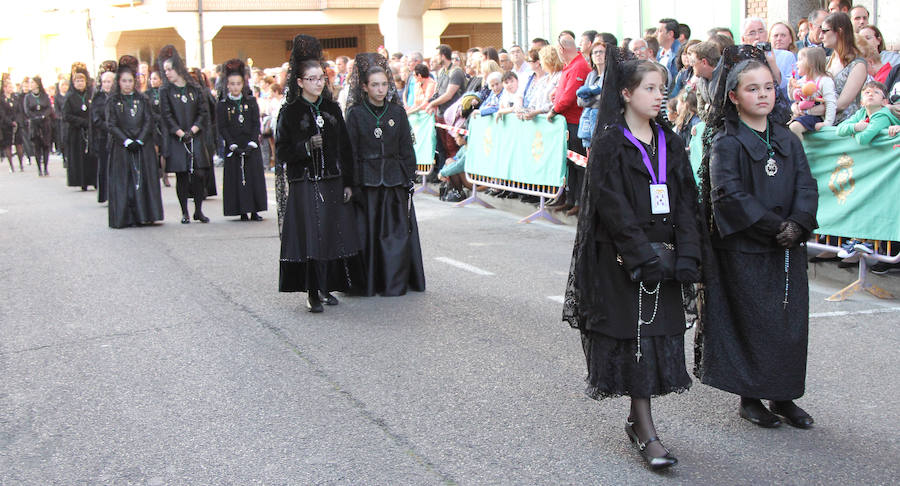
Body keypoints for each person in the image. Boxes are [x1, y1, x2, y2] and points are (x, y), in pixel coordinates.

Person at [562, 48, 702, 470]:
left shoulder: (669, 141)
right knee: (636, 340)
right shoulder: (610, 143)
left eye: (662, 88)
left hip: (666, 255)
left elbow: (686, 199)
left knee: (656, 338)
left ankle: (638, 422)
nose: (660, 96)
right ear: (625, 93)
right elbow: (612, 208)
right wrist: (641, 255)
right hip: (623, 260)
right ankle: (645, 430)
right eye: (650, 88)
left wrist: (688, 254)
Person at [696, 46, 818, 431]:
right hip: (746, 248)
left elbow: (806, 185)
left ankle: (784, 395)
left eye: (768, 87)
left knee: (788, 323)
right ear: (734, 96)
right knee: (752, 323)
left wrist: (799, 223)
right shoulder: (726, 141)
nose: (763, 94)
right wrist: (774, 227)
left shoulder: (788, 138)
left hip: (788, 247)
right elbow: (728, 195)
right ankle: (750, 398)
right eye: (752, 89)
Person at [276, 34, 363, 312]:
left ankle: (327, 286)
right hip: (306, 182)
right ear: (300, 82)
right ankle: (312, 291)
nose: (317, 83)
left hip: (332, 181)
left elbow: (345, 148)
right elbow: (282, 151)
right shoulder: (290, 112)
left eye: (321, 78)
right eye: (311, 79)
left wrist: (348, 182)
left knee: (331, 233)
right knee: (311, 236)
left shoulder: (332, 108)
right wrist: (305, 146)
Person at [344, 53, 426, 297]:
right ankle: (368, 282)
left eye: (384, 84)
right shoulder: (356, 114)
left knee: (394, 235)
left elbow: (406, 147)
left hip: (393, 181)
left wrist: (409, 176)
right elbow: (350, 150)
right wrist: (350, 183)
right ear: (365, 87)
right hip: (366, 182)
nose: (380, 89)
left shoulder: (397, 113)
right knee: (366, 234)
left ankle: (394, 282)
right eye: (375, 85)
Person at [105, 55, 164, 228]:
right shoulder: (113, 101)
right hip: (122, 146)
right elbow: (111, 124)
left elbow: (148, 120)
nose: (127, 84)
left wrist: (140, 139)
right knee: (125, 182)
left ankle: (144, 214)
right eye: (124, 81)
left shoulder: (142, 99)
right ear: (119, 82)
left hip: (142, 145)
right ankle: (126, 216)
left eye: (130, 81)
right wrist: (126, 141)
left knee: (142, 180)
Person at [158, 45, 212, 224]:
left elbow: (203, 112)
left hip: (195, 136)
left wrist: (193, 130)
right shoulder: (165, 90)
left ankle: (198, 210)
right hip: (177, 137)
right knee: (181, 175)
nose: (167, 73)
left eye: (169, 69)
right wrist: (180, 133)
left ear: (178, 68)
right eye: (165, 70)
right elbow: (166, 115)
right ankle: (185, 212)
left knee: (199, 174)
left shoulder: (195, 88)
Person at [217, 58, 267, 221]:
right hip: (234, 145)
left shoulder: (251, 101)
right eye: (232, 84)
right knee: (237, 178)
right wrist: (231, 144)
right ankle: (242, 210)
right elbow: (222, 127)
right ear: (227, 85)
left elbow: (255, 123)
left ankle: (255, 210)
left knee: (253, 177)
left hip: (250, 144)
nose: (235, 87)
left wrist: (253, 142)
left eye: (238, 84)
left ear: (243, 84)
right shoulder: (223, 104)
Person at [548, 32, 591, 217]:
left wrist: (554, 110)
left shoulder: (578, 66)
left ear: (561, 49)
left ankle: (579, 201)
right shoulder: (572, 65)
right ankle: (570, 199)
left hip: (575, 122)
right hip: (568, 121)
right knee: (570, 164)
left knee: (578, 164)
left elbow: (570, 95)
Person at [822, 12, 867, 123]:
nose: (820, 36)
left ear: (839, 32)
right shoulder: (825, 61)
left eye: (824, 31)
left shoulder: (858, 65)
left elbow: (842, 104)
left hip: (846, 125)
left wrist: (813, 111)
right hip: (821, 122)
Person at [788, 47, 837, 139]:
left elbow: (830, 103)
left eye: (800, 60)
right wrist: (790, 87)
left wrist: (827, 122)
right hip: (803, 115)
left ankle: (799, 148)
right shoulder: (801, 81)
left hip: (816, 116)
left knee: (794, 127)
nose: (796, 63)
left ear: (811, 63)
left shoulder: (825, 81)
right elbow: (793, 98)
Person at [63, 63, 97, 190]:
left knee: (92, 157)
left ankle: (94, 180)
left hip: (90, 130)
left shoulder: (91, 94)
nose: (80, 83)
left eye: (82, 80)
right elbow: (66, 115)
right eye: (77, 81)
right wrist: (81, 122)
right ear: (73, 83)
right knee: (80, 157)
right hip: (76, 132)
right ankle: (82, 181)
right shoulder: (70, 97)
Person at [835, 81, 900, 144]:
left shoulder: (883, 117)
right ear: (862, 102)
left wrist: (854, 132)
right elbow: (839, 129)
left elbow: (862, 139)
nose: (870, 94)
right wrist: (855, 127)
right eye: (867, 92)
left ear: (884, 102)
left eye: (876, 92)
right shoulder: (861, 113)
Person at [576, 39, 606, 149]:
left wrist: (589, 97)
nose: (598, 54)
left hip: (605, 123)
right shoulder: (591, 75)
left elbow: (607, 99)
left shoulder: (612, 75)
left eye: (601, 52)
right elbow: (580, 101)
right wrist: (596, 97)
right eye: (595, 52)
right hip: (588, 124)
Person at [94, 62, 117, 202]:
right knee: (105, 166)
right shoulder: (98, 97)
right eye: (104, 82)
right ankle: (107, 195)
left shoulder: (118, 96)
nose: (107, 84)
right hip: (104, 137)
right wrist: (109, 127)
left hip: (117, 137)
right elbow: (96, 118)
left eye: (109, 81)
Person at [23, 76, 53, 177]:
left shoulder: (44, 96)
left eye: (32, 82)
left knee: (46, 145)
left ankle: (46, 168)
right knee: (37, 146)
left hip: (45, 123)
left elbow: (49, 107)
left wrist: (44, 115)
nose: (31, 84)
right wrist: (34, 117)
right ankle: (39, 168)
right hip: (34, 124)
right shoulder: (28, 97)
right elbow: (27, 110)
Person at [146, 69, 171, 187]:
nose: (153, 81)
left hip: (164, 125)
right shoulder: (147, 94)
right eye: (151, 79)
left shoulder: (165, 91)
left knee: (165, 151)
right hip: (153, 125)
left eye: (155, 78)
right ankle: (155, 175)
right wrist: (156, 117)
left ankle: (165, 175)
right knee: (154, 151)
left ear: (161, 80)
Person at [1, 80, 23, 172]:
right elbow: (2, 113)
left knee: (19, 144)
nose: (11, 89)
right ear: (4, 88)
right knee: (8, 145)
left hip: (17, 123)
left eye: (12, 87)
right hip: (6, 125)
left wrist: (17, 121)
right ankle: (11, 165)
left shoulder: (16, 97)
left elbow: (19, 110)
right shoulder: (1, 99)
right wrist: (10, 122)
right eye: (9, 87)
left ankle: (21, 164)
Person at [656, 18, 682, 87]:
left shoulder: (680, 53)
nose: (656, 34)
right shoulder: (658, 52)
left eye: (659, 31)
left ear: (670, 34)